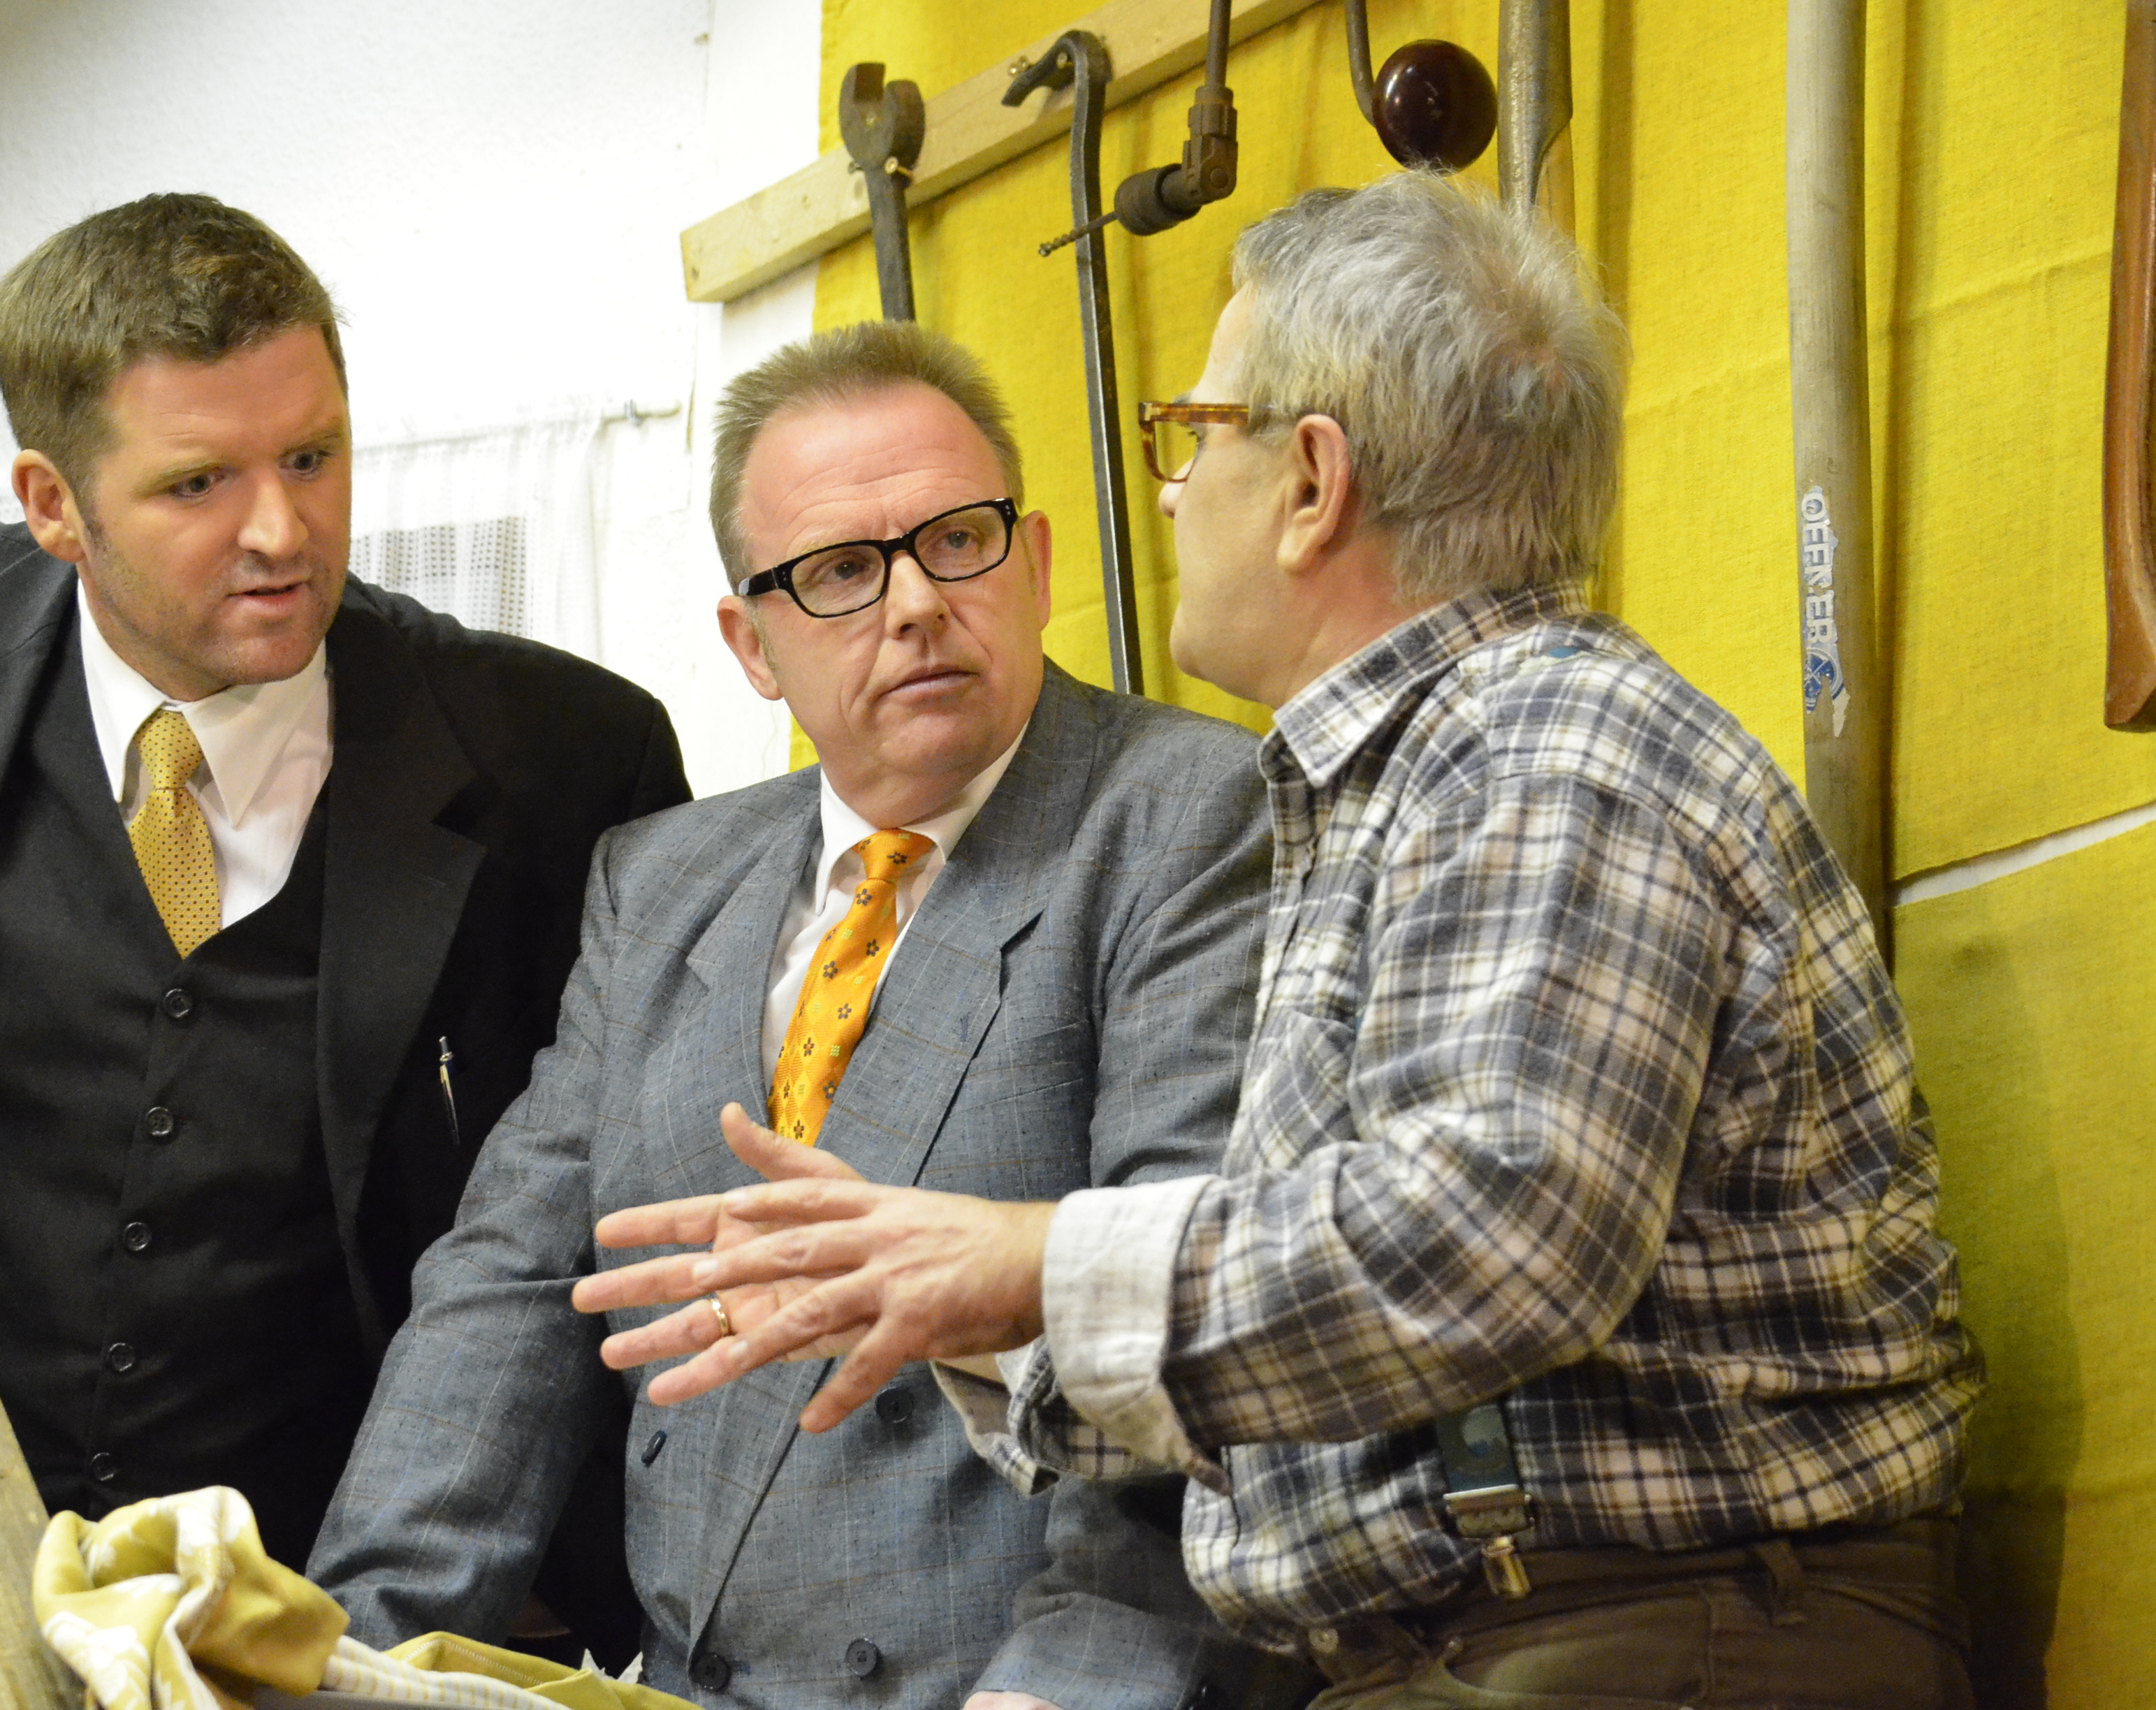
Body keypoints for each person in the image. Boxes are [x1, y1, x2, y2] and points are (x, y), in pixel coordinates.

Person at [578, 173, 1987, 1708]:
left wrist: (1023, 1260)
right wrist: (956, 1308)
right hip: (1498, 1646)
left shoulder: (1542, 751)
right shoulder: (1415, 782)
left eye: (1194, 436)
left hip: (1631, 1648)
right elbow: (1333, 1354)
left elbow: (1491, 1242)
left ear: (1313, 482)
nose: (1171, 496)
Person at [0, 197, 686, 1682]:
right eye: (198, 483)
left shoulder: (569, 761)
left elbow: (623, 1214)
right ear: (53, 502)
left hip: (288, 1632)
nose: (281, 531)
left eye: (312, 456)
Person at [309, 320, 1285, 1710]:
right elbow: (511, 1296)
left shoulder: (1190, 820)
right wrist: (343, 1660)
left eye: (958, 540)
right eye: (839, 571)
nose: (916, 603)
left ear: (1035, 561)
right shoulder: (663, 881)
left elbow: (1197, 1343)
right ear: (752, 644)